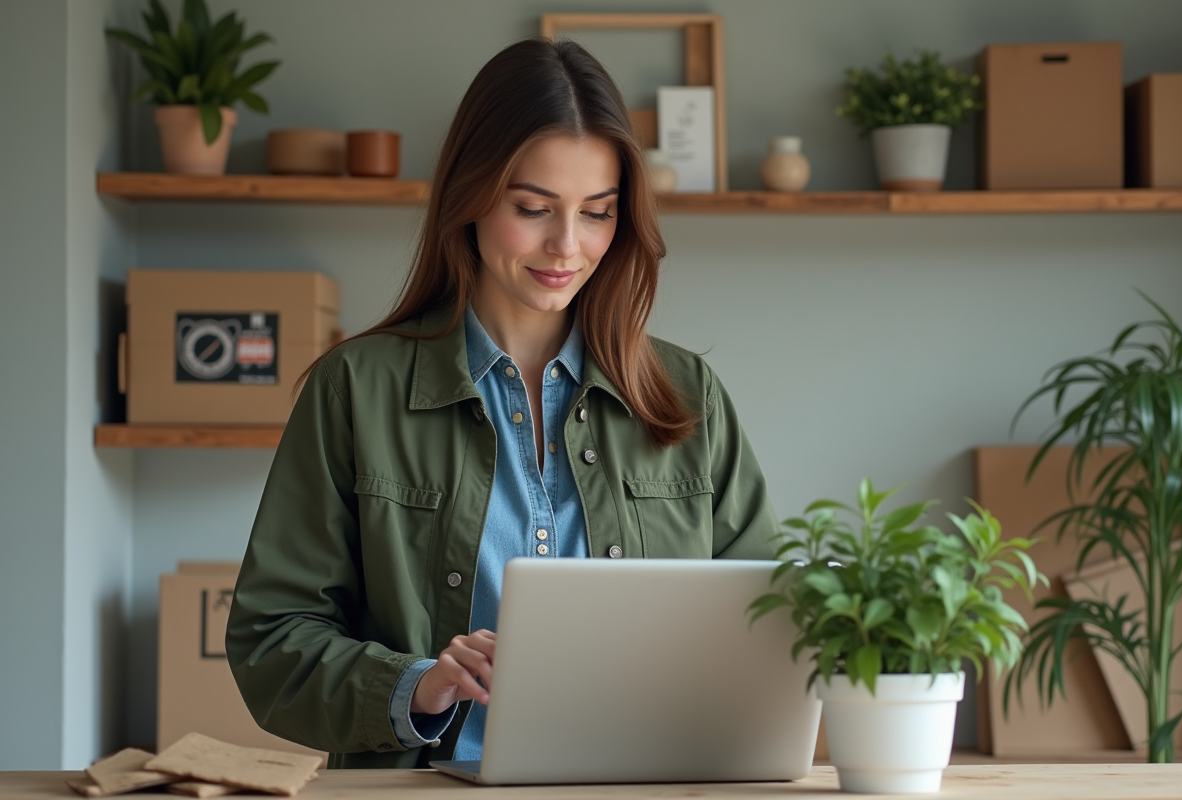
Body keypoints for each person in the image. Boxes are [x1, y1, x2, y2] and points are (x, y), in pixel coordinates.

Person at [225, 36, 777, 770]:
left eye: (597, 213)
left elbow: (771, 620)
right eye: (533, 208)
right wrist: (415, 685)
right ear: (472, 195)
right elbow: (272, 637)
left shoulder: (686, 395)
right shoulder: (354, 389)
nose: (567, 246)